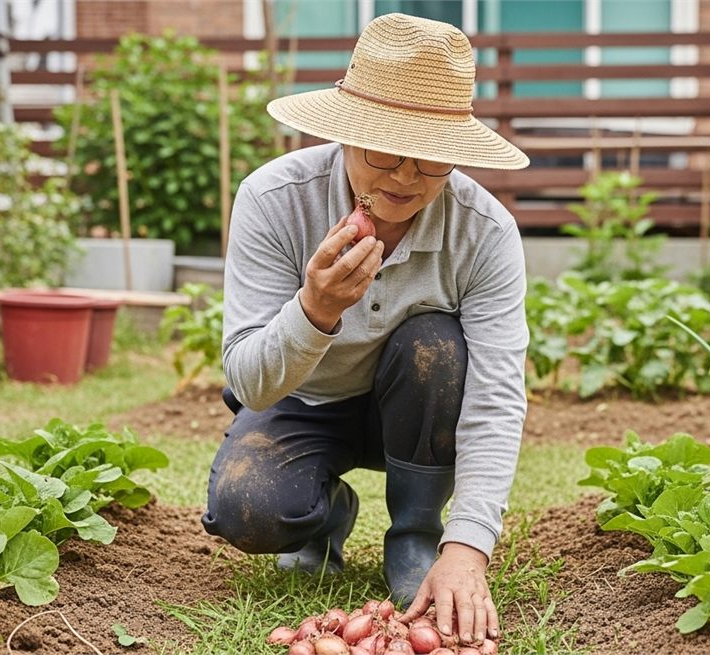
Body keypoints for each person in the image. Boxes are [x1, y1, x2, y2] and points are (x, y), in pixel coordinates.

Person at [200, 12, 529, 646]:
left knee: (434, 344)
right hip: (301, 400)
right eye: (385, 149)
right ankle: (325, 515)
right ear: (346, 133)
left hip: (415, 409)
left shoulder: (484, 232)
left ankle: (417, 535)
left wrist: (469, 547)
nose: (405, 176)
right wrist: (315, 309)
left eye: (431, 158)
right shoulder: (274, 198)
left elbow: (496, 397)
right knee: (248, 509)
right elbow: (248, 380)